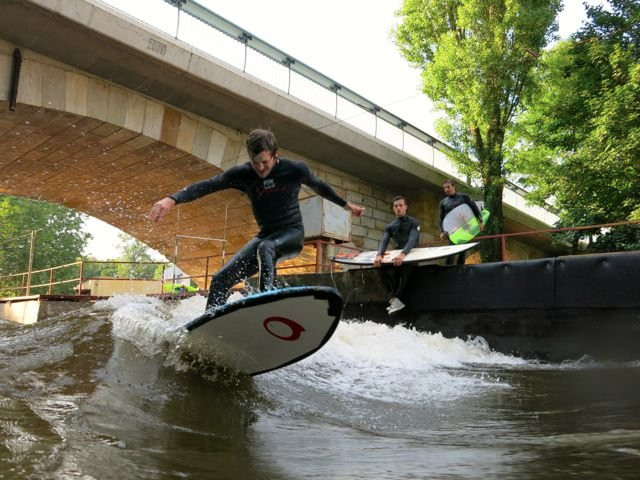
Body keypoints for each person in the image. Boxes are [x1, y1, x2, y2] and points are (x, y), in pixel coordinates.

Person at [149, 128, 365, 311]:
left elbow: (320, 187)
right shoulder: (243, 174)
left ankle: (264, 306)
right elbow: (208, 185)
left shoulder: (294, 169)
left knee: (266, 248)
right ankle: (210, 327)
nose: (260, 168)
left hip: (292, 234)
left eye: (265, 162)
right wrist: (171, 199)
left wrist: (347, 206)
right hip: (265, 235)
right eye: (255, 163)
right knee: (220, 280)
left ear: (274, 154)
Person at [374, 195, 420, 314]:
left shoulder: (414, 222)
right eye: (396, 206)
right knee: (379, 266)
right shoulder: (390, 226)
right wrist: (379, 255)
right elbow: (384, 240)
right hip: (397, 254)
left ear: (405, 207)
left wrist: (404, 253)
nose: (398, 208)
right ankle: (394, 299)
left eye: (400, 205)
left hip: (411, 254)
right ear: (393, 208)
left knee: (406, 270)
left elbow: (413, 239)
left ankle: (396, 300)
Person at [438, 179, 484, 265]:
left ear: (453, 187)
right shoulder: (443, 202)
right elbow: (441, 218)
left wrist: (480, 221)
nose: (446, 189)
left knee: (462, 251)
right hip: (452, 230)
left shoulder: (464, 197)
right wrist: (441, 231)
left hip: (465, 227)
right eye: (444, 188)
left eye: (448, 187)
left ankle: (460, 269)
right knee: (450, 251)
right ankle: (448, 269)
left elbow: (474, 208)